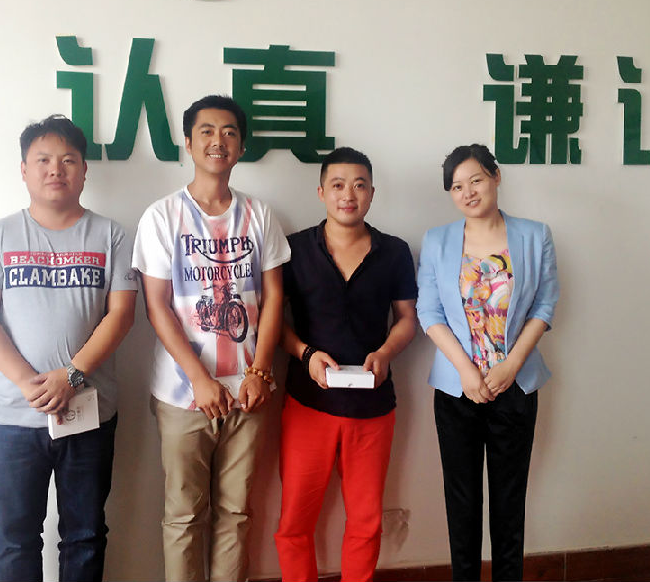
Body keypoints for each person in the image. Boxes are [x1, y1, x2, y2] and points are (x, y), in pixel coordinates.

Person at [0, 116, 138, 582]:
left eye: (68, 160)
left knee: (85, 534)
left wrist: (72, 376)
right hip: (12, 417)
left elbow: (121, 315)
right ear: (24, 170)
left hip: (89, 412)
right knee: (15, 536)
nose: (55, 169)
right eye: (42, 160)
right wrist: (29, 383)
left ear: (84, 170)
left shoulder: (112, 235)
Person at [132, 94, 290, 582]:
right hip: (183, 394)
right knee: (184, 515)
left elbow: (274, 298)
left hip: (249, 392)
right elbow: (156, 306)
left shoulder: (259, 214)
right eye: (206, 131)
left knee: (237, 513)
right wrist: (199, 379)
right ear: (188, 143)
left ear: (241, 146)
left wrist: (260, 371)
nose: (217, 141)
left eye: (229, 132)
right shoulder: (162, 217)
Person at [274, 147, 418, 582]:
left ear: (372, 192)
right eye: (337, 185)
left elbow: (407, 319)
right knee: (294, 522)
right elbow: (273, 322)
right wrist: (306, 354)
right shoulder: (294, 249)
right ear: (321, 192)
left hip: (372, 409)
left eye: (359, 185)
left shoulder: (394, 252)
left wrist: (386, 353)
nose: (348, 195)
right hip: (308, 404)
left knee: (366, 521)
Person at [416, 143, 559, 582]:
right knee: (461, 504)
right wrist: (466, 370)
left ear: (496, 177)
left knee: (508, 502)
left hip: (515, 386)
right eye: (457, 186)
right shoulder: (437, 240)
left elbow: (544, 305)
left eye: (476, 179)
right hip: (457, 390)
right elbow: (429, 312)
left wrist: (511, 365)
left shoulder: (535, 235)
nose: (468, 192)